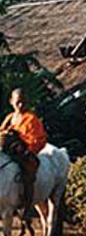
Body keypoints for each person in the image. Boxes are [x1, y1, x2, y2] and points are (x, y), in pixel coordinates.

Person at [0, 88, 47, 216]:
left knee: (28, 173)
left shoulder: (32, 119)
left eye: (23, 102)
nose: (20, 105)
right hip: (8, 151)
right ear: (11, 101)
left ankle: (27, 206)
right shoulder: (10, 117)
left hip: (25, 154)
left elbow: (39, 139)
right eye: (18, 102)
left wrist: (27, 149)